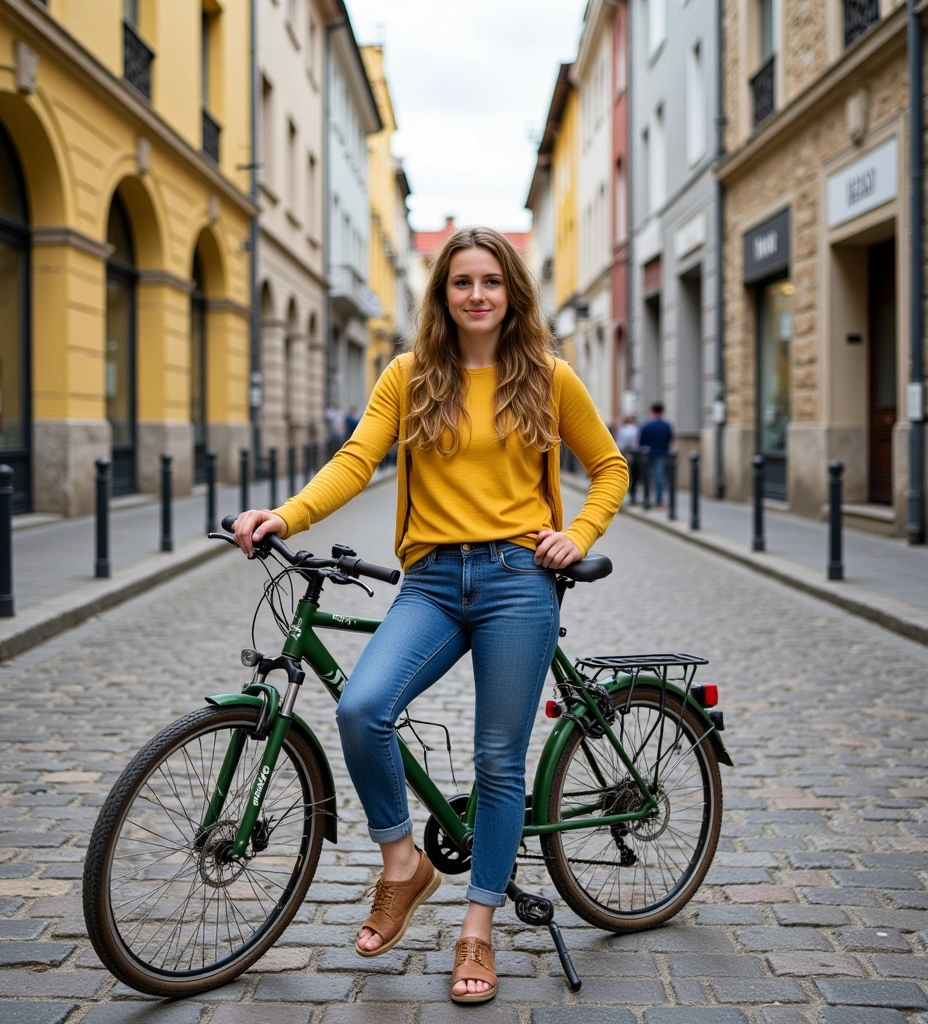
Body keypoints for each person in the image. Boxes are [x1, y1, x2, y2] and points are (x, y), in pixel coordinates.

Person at [232, 227, 629, 1004]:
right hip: (433, 580)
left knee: (498, 761)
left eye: (490, 281)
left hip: (520, 579)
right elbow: (357, 459)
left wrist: (576, 533)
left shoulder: (549, 378)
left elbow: (609, 467)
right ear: (442, 294)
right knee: (363, 706)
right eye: (461, 282)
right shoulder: (410, 376)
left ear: (511, 291)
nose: (476, 295)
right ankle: (402, 864)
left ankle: (477, 929)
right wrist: (286, 515)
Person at [639, 401, 674, 507]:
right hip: (662, 454)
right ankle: (659, 500)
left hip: (648, 454)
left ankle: (647, 499)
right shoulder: (666, 425)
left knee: (647, 477)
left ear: (652, 411)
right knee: (660, 477)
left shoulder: (647, 425)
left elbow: (641, 441)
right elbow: (670, 439)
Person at [616, 414, 640, 505]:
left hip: (626, 453)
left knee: (627, 474)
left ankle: (627, 494)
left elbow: (620, 442)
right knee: (632, 475)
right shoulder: (634, 429)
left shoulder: (623, 429)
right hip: (632, 454)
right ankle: (631, 494)